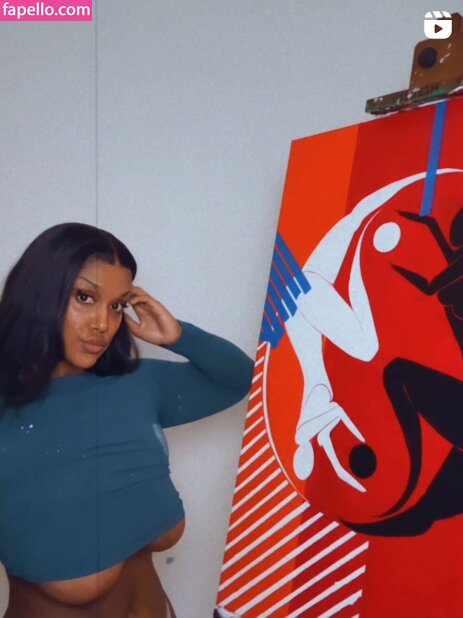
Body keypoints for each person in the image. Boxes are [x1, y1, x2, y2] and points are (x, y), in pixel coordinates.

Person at [0, 222, 254, 617]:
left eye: (117, 305)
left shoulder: (137, 384)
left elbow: (238, 379)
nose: (103, 323)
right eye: (85, 297)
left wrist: (179, 336)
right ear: (38, 294)